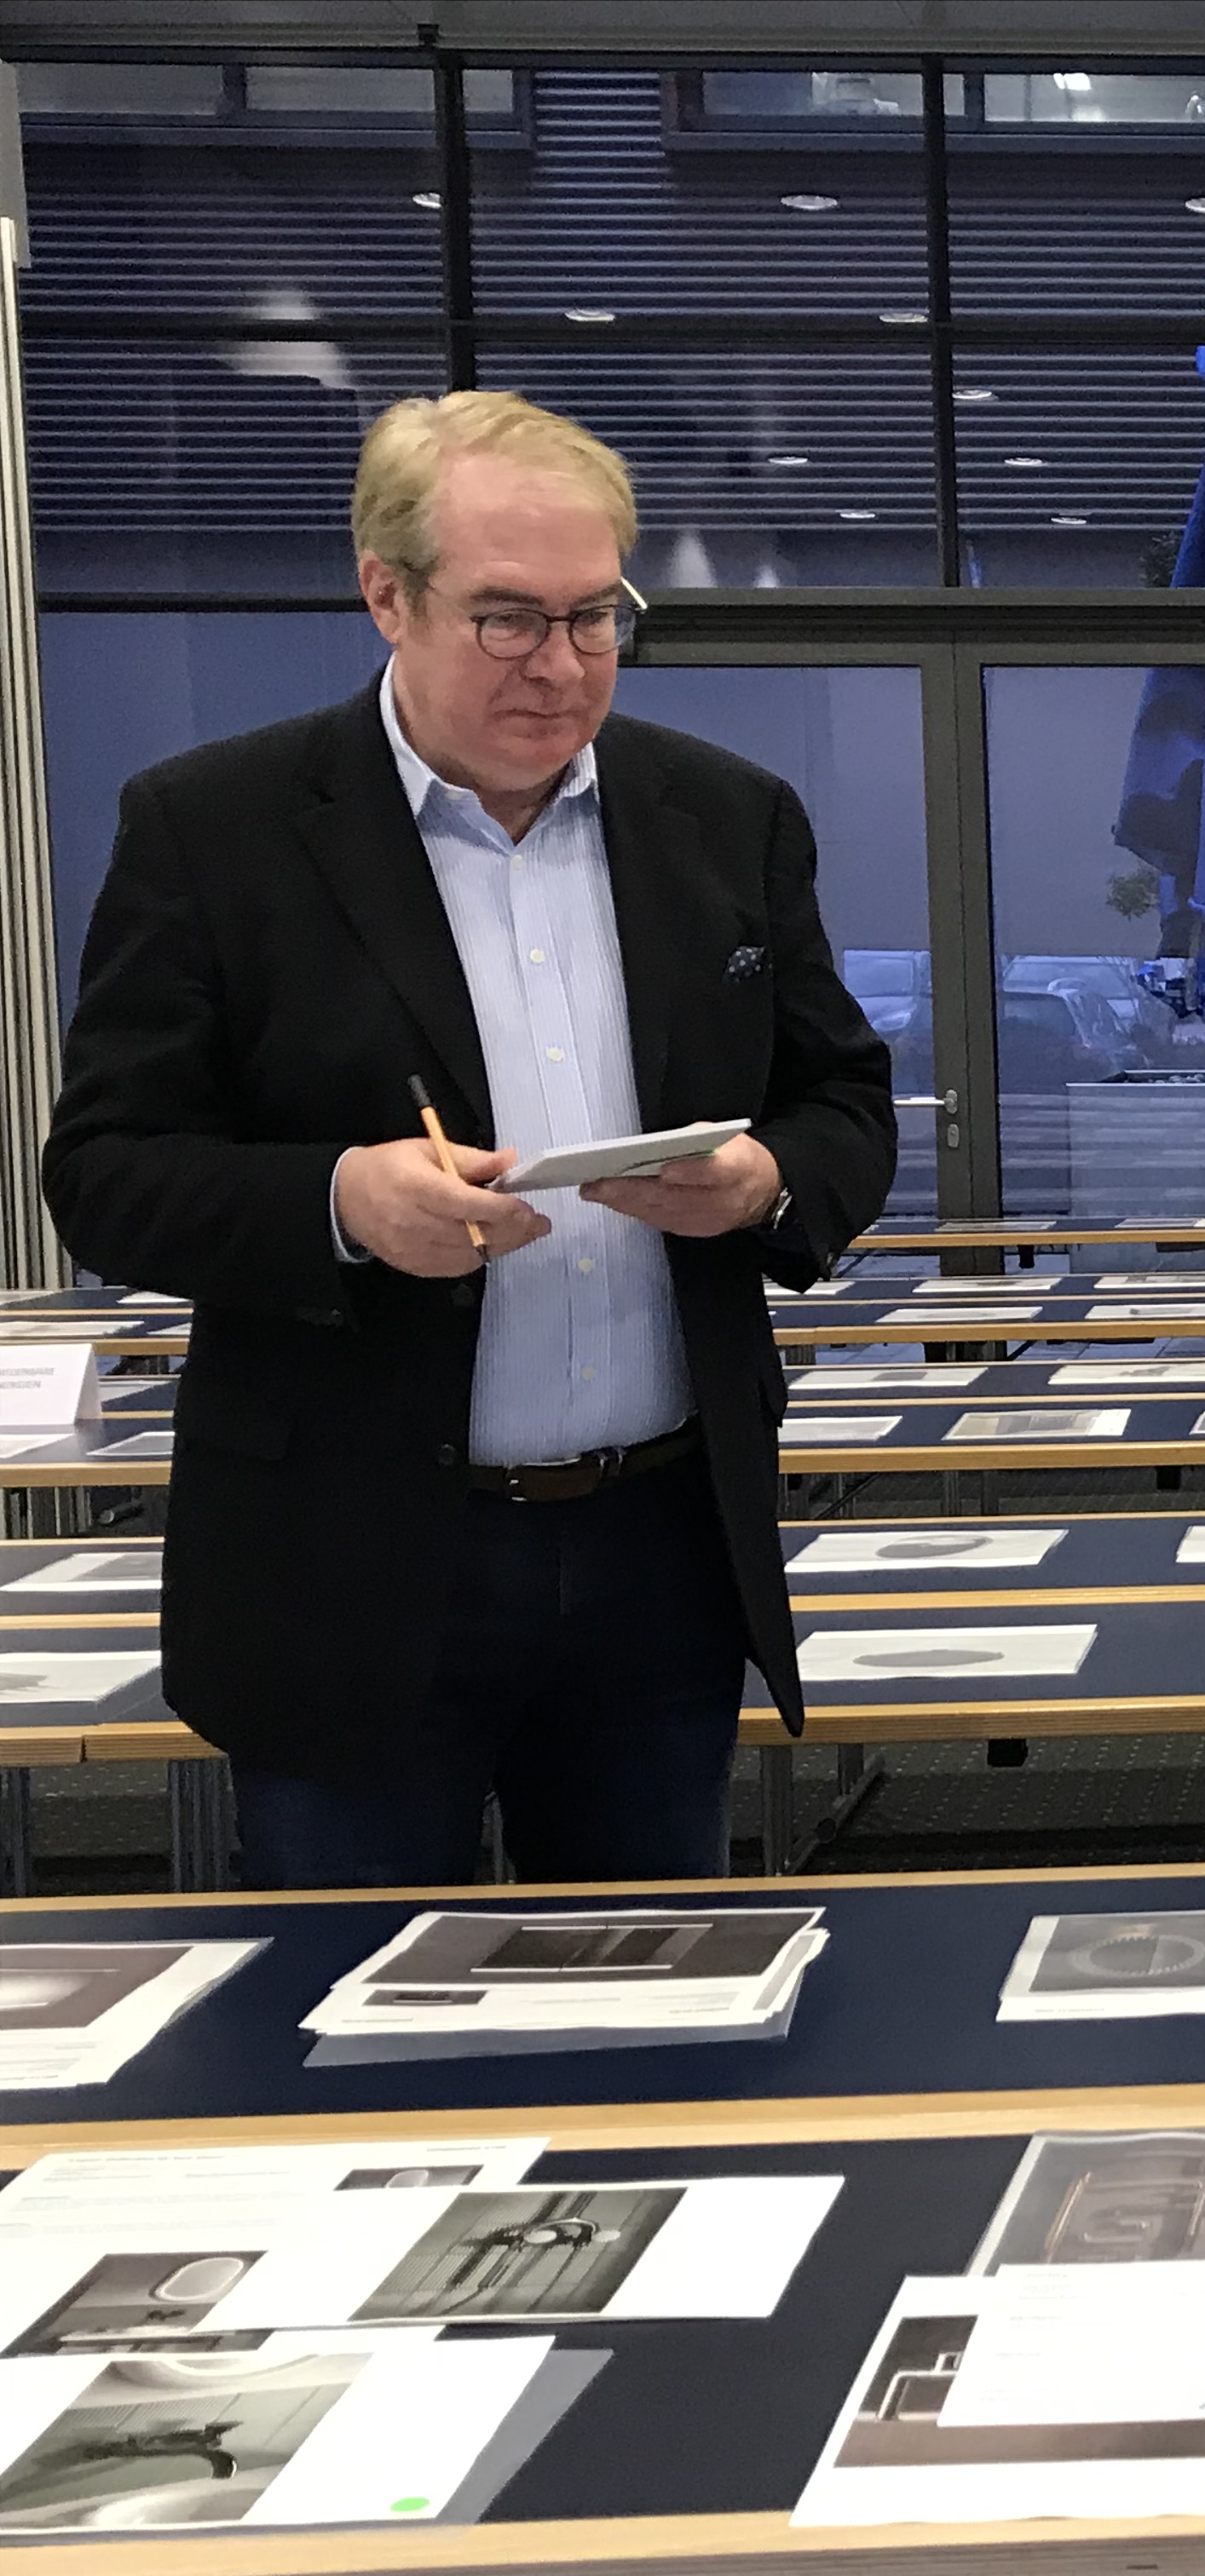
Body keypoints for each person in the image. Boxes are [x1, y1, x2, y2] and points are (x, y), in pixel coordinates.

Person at [43, 390, 895, 1889]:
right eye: (508, 619)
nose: (561, 666)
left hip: (660, 1546)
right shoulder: (214, 827)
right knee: (350, 2041)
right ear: (387, 593)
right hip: (351, 1557)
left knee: (657, 2023)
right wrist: (338, 1198)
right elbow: (104, 1171)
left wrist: (761, 1179)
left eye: (594, 616)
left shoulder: (727, 817)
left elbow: (845, 1107)